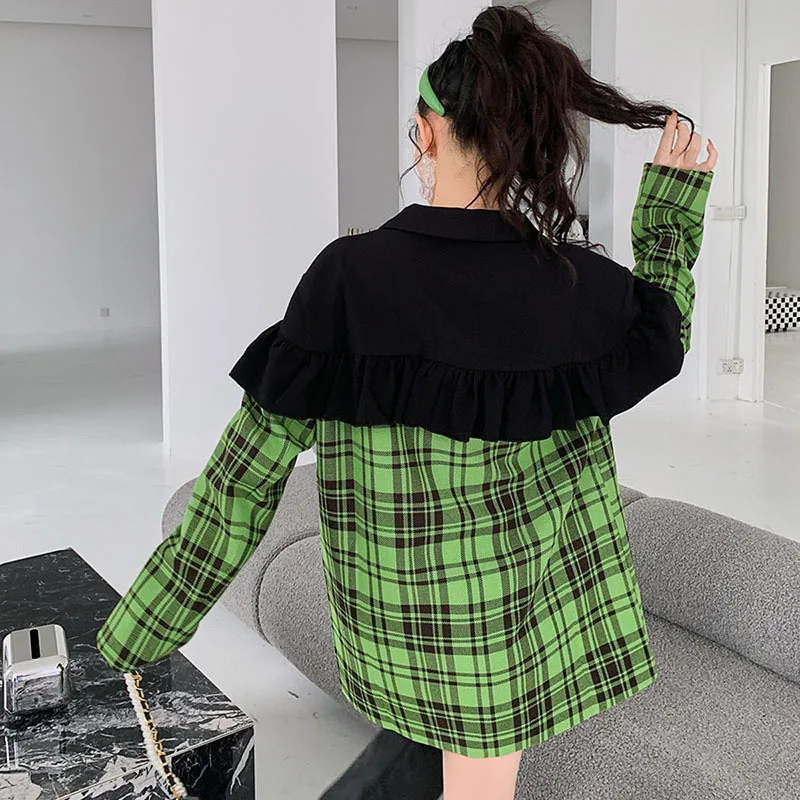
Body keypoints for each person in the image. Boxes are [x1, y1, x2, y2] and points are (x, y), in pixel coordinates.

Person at [95, 6, 718, 800]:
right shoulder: (573, 286)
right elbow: (665, 331)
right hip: (513, 640)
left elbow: (241, 484)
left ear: (426, 135)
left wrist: (136, 634)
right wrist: (669, 212)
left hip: (388, 635)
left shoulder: (347, 277)